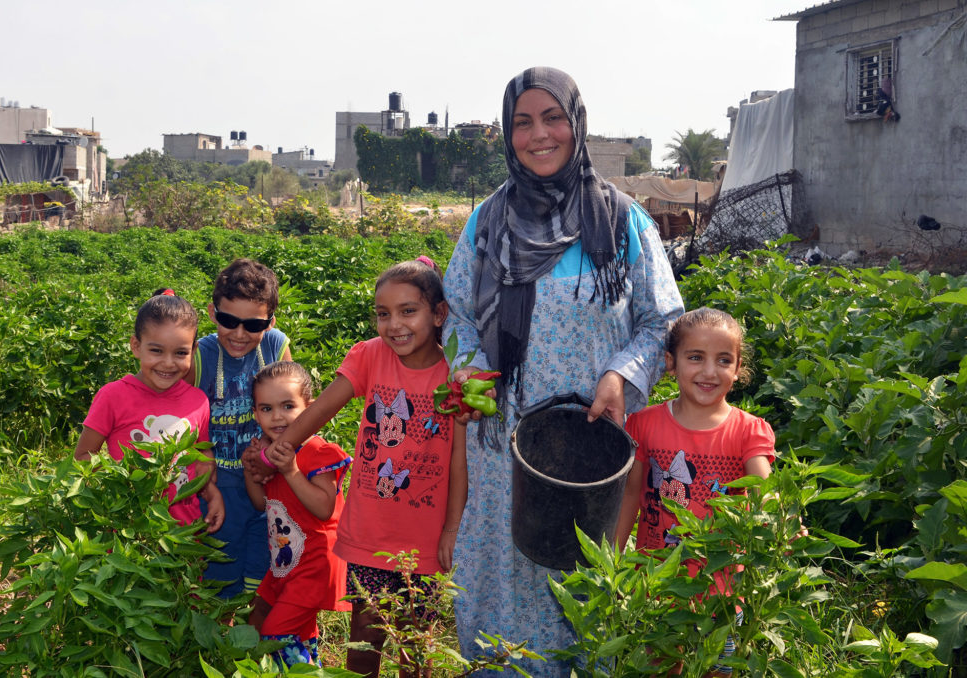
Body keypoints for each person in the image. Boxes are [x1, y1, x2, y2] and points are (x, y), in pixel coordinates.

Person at [442, 66, 684, 676]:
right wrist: (469, 371)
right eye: (523, 122)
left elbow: (663, 323)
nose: (539, 135)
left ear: (576, 125)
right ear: (507, 133)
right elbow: (458, 318)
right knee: (506, 590)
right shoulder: (486, 223)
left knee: (585, 584)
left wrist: (622, 377)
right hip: (503, 450)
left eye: (552, 118)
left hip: (593, 446)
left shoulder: (623, 221)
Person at [243, 257, 468, 678]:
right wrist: (284, 449)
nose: (394, 324)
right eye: (383, 314)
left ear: (439, 314)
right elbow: (324, 406)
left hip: (426, 536)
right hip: (370, 531)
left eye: (408, 311)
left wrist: (452, 527)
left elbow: (458, 462)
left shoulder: (455, 374)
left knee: (415, 648)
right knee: (364, 642)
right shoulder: (369, 356)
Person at [614, 307, 775, 676]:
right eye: (695, 357)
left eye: (723, 360)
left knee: (716, 668)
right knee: (660, 666)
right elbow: (629, 497)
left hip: (720, 592)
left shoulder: (748, 431)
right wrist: (616, 564)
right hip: (656, 585)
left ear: (738, 370)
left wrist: (778, 513)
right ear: (671, 362)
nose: (709, 371)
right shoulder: (644, 424)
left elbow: (763, 485)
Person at [74, 288, 224, 531]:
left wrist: (211, 492)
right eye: (156, 350)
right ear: (136, 346)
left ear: (194, 351)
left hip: (183, 528)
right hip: (128, 527)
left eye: (180, 353)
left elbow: (202, 454)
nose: (167, 362)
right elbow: (83, 456)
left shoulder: (198, 401)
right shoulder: (113, 396)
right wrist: (120, 486)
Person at [189, 258, 293, 598]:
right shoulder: (199, 355)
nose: (238, 333)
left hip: (268, 477)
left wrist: (271, 454)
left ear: (270, 321)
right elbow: (186, 421)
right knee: (222, 566)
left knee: (266, 564)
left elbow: (294, 408)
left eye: (252, 325)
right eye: (228, 320)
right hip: (220, 483)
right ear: (212, 312)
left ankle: (256, 633)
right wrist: (206, 478)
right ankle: (223, 639)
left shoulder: (276, 346)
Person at [243, 360, 352, 668]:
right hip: (286, 561)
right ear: (255, 413)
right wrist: (252, 470)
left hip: (316, 562)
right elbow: (260, 505)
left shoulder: (319, 451)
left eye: (288, 405)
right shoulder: (269, 453)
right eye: (266, 409)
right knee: (258, 616)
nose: (277, 416)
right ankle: (306, 666)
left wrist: (290, 470)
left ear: (310, 408)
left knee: (275, 632)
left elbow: (323, 507)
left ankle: (298, 671)